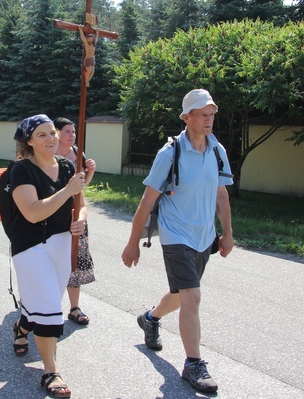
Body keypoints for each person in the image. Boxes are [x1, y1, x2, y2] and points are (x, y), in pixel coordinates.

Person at [121, 89, 234, 394]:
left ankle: (150, 318)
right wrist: (132, 243)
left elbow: (221, 194)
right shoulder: (170, 153)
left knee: (183, 294)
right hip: (175, 235)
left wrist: (227, 233)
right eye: (202, 114)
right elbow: (147, 201)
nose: (209, 120)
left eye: (212, 114)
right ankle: (194, 364)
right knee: (193, 297)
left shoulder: (217, 151)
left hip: (203, 235)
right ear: (186, 118)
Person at [8, 114, 87, 399]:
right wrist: (68, 190)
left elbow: (81, 204)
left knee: (46, 301)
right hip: (31, 248)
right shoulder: (21, 171)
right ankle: (50, 371)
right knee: (51, 311)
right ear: (29, 141)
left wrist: (80, 220)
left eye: (53, 133)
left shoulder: (67, 166)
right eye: (42, 135)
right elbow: (32, 212)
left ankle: (23, 324)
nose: (51, 138)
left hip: (63, 244)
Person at [53, 117, 97, 326]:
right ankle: (42, 304)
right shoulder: (47, 155)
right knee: (50, 261)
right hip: (52, 215)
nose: (72, 135)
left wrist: (91, 172)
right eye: (67, 131)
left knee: (74, 262)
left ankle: (74, 307)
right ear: (57, 133)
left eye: (73, 131)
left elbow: (82, 187)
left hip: (75, 214)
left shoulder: (78, 154)